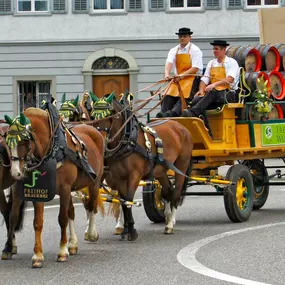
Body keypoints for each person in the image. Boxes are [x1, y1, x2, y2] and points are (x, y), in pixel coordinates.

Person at [181, 40, 240, 118]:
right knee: (196, 98)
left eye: (216, 49)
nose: (214, 51)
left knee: (213, 92)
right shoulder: (211, 63)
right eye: (213, 49)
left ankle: (193, 113)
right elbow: (204, 80)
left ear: (224, 50)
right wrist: (201, 90)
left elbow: (230, 79)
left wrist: (214, 84)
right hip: (215, 92)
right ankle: (196, 119)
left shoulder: (231, 62)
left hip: (228, 93)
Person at [156, 27, 203, 118]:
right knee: (167, 95)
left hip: (192, 79)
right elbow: (169, 63)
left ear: (190, 37)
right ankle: (163, 114)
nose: (182, 38)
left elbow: (195, 68)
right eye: (180, 36)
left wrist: (182, 75)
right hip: (178, 79)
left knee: (184, 96)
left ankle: (173, 114)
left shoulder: (195, 50)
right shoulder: (174, 50)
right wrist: (167, 74)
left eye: (185, 36)